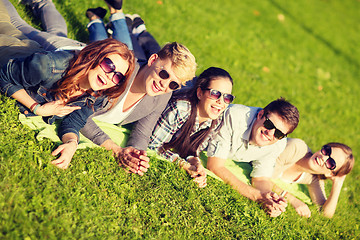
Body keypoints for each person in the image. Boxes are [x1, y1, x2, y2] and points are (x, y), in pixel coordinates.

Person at [6, 0, 197, 173]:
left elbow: (143, 132)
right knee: (19, 27)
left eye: (173, 83)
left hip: (74, 58)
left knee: (55, 32)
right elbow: (80, 112)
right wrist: (113, 147)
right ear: (153, 59)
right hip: (73, 57)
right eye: (164, 74)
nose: (164, 84)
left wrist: (135, 154)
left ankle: (43, 3)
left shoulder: (161, 96)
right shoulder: (116, 76)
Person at [0, 1, 135, 169]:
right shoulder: (49, 67)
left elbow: (74, 121)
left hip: (30, 54)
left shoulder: (97, 96)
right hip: (8, 49)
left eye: (117, 77)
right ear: (95, 56)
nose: (109, 76)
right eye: (109, 66)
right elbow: (4, 75)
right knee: (6, 22)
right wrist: (37, 108)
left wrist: (72, 143)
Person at [206, 98, 300, 217]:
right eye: (269, 124)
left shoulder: (279, 143)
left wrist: (268, 197)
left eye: (278, 134)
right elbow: (215, 166)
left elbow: (260, 178)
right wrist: (256, 195)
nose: (270, 134)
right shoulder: (235, 117)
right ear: (260, 114)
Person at [149, 67, 234, 188]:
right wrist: (183, 165)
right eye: (215, 94)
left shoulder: (216, 119)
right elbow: (153, 145)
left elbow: (193, 148)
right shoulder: (181, 109)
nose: (221, 102)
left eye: (227, 98)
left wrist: (195, 162)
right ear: (200, 93)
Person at [270, 138, 354, 218]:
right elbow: (260, 178)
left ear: (331, 174)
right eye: (327, 151)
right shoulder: (296, 148)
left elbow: (325, 214)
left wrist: (338, 184)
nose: (323, 157)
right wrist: (292, 199)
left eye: (331, 163)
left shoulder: (313, 178)